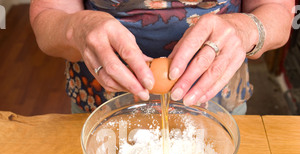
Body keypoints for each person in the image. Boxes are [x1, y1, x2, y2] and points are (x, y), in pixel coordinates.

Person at [30, 0, 295, 114]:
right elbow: (47, 14)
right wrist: (77, 27)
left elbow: (277, 12)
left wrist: (246, 29)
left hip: (216, 107)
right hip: (102, 109)